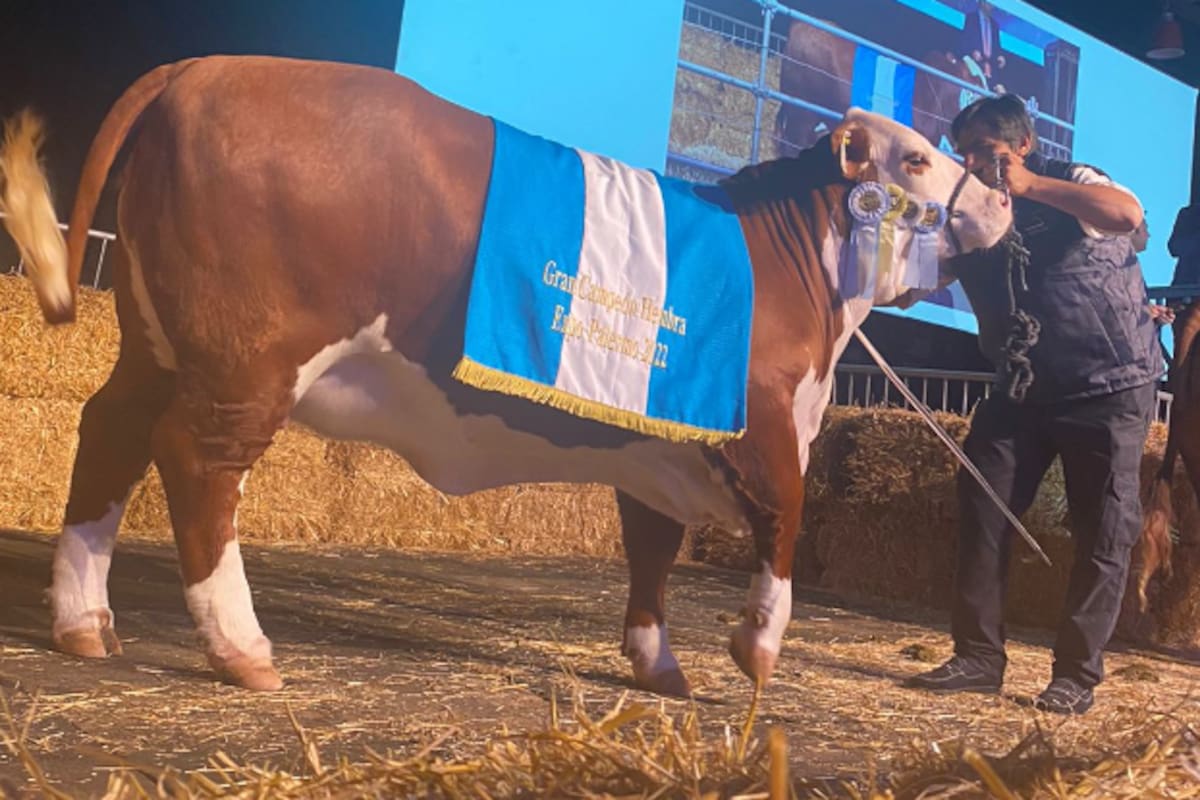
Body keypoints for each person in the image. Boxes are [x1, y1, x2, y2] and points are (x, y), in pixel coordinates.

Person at [905, 93, 1160, 715]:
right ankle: (978, 658)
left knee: (1102, 530)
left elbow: (1127, 214)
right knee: (981, 504)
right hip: (1021, 389)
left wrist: (1032, 185)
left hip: (1110, 383)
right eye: (963, 153)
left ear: (1021, 146)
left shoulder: (1072, 181)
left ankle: (1075, 674)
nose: (972, 164)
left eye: (987, 151)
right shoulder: (965, 212)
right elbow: (916, 285)